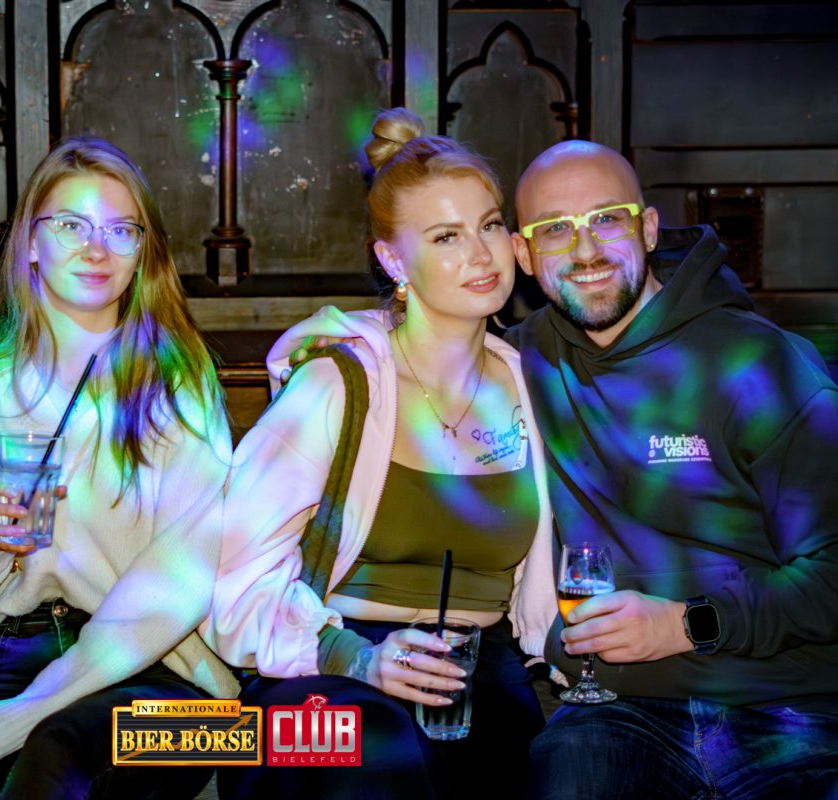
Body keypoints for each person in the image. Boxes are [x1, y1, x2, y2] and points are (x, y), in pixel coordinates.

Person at [203, 108, 556, 799]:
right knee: (372, 761)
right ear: (393, 260)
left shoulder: (530, 388)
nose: (481, 254)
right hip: (324, 672)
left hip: (478, 673)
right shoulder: (338, 384)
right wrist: (356, 658)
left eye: (489, 226)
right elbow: (231, 580)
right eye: (446, 236)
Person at [507, 139, 838, 799]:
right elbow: (416, 367)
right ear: (523, 254)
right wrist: (343, 347)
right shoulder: (522, 364)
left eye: (607, 218)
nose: (586, 251)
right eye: (555, 229)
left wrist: (685, 623)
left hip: (787, 705)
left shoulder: (761, 366)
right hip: (619, 712)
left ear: (649, 228)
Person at [0, 136, 238, 800]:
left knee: (62, 752)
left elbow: (186, 573)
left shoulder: (178, 381)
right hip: (12, 651)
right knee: (22, 771)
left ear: (142, 255)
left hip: (171, 670)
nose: (97, 249)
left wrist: (36, 707)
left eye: (121, 230)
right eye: (71, 225)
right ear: (29, 243)